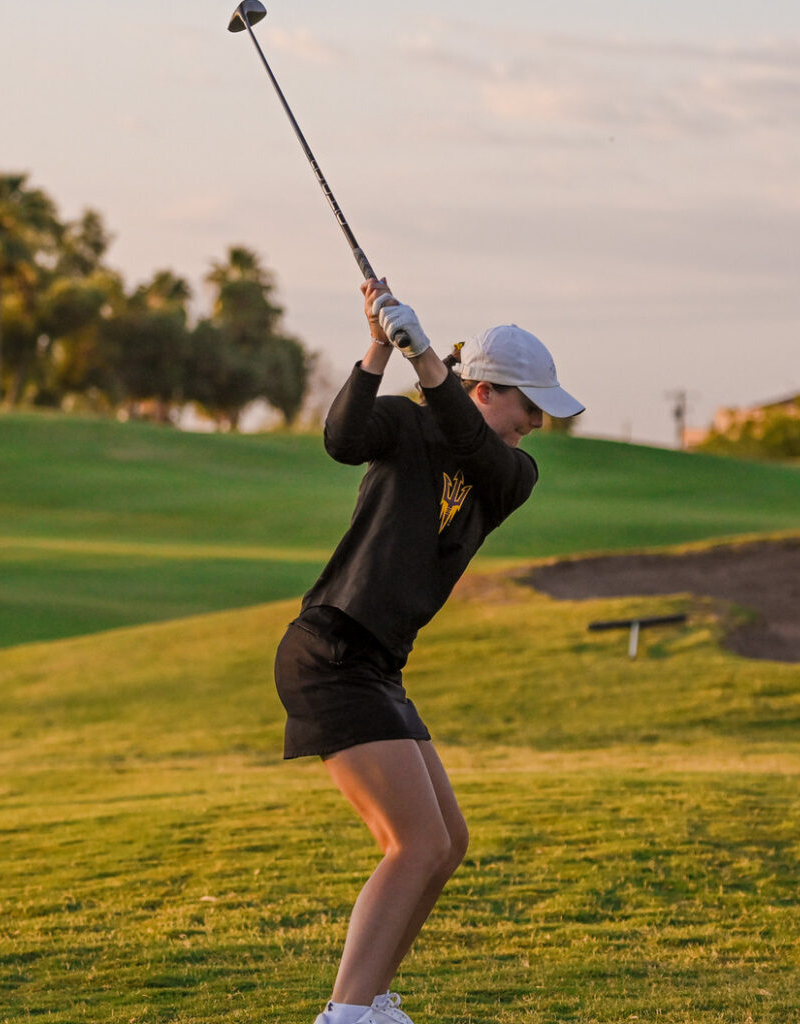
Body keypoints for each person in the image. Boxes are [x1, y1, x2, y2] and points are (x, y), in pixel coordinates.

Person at [276, 279, 584, 1024]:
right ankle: (347, 1016)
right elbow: (342, 439)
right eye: (529, 405)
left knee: (445, 845)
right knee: (413, 845)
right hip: (333, 648)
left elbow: (474, 442)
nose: (537, 423)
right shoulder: (410, 427)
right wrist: (382, 347)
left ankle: (370, 1001)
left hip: (379, 665)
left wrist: (429, 366)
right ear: (489, 389)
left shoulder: (510, 473)